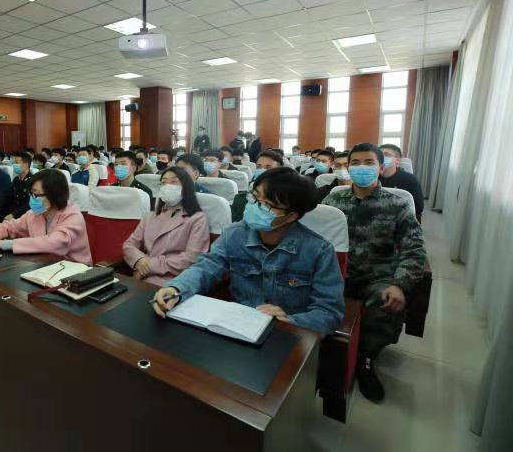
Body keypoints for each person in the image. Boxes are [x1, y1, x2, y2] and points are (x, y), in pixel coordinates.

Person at [151, 167, 344, 337]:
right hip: (236, 327)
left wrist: (290, 321)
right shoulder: (234, 234)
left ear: (291, 216)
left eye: (266, 204)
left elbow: (329, 312)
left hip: (285, 334)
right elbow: (207, 267)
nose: (254, 206)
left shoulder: (318, 250)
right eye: (254, 197)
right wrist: (176, 289)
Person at [322, 143, 426, 403]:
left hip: (377, 276)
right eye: (355, 163)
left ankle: (365, 358)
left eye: (368, 163)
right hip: (335, 273)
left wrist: (400, 284)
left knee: (387, 303)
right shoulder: (333, 201)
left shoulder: (397, 204)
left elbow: (414, 250)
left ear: (381, 168)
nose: (361, 168)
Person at [0, 169, 92, 264]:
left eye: (36, 195)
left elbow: (54, 243)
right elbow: (10, 226)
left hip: (74, 271)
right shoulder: (35, 213)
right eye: (30, 194)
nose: (32, 199)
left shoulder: (73, 216)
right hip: (43, 264)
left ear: (55, 195)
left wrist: (4, 244)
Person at [123, 167, 210, 286]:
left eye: (174, 182)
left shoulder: (197, 218)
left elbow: (192, 258)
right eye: (163, 183)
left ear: (186, 187)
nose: (168, 186)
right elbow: (130, 244)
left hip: (176, 280)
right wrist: (139, 260)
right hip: (142, 274)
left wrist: (150, 266)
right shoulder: (151, 216)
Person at [379, 144, 424, 221]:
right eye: (379, 155)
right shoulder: (372, 178)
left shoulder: (410, 180)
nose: (381, 158)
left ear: (398, 160)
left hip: (400, 219)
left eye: (386, 155)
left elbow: (418, 208)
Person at [4, 152, 35, 221]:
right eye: (14, 162)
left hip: (24, 214)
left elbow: (30, 203)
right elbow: (8, 196)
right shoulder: (16, 179)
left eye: (16, 162)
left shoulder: (32, 181)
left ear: (26, 165)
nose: (14, 165)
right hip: (12, 210)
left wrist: (14, 214)